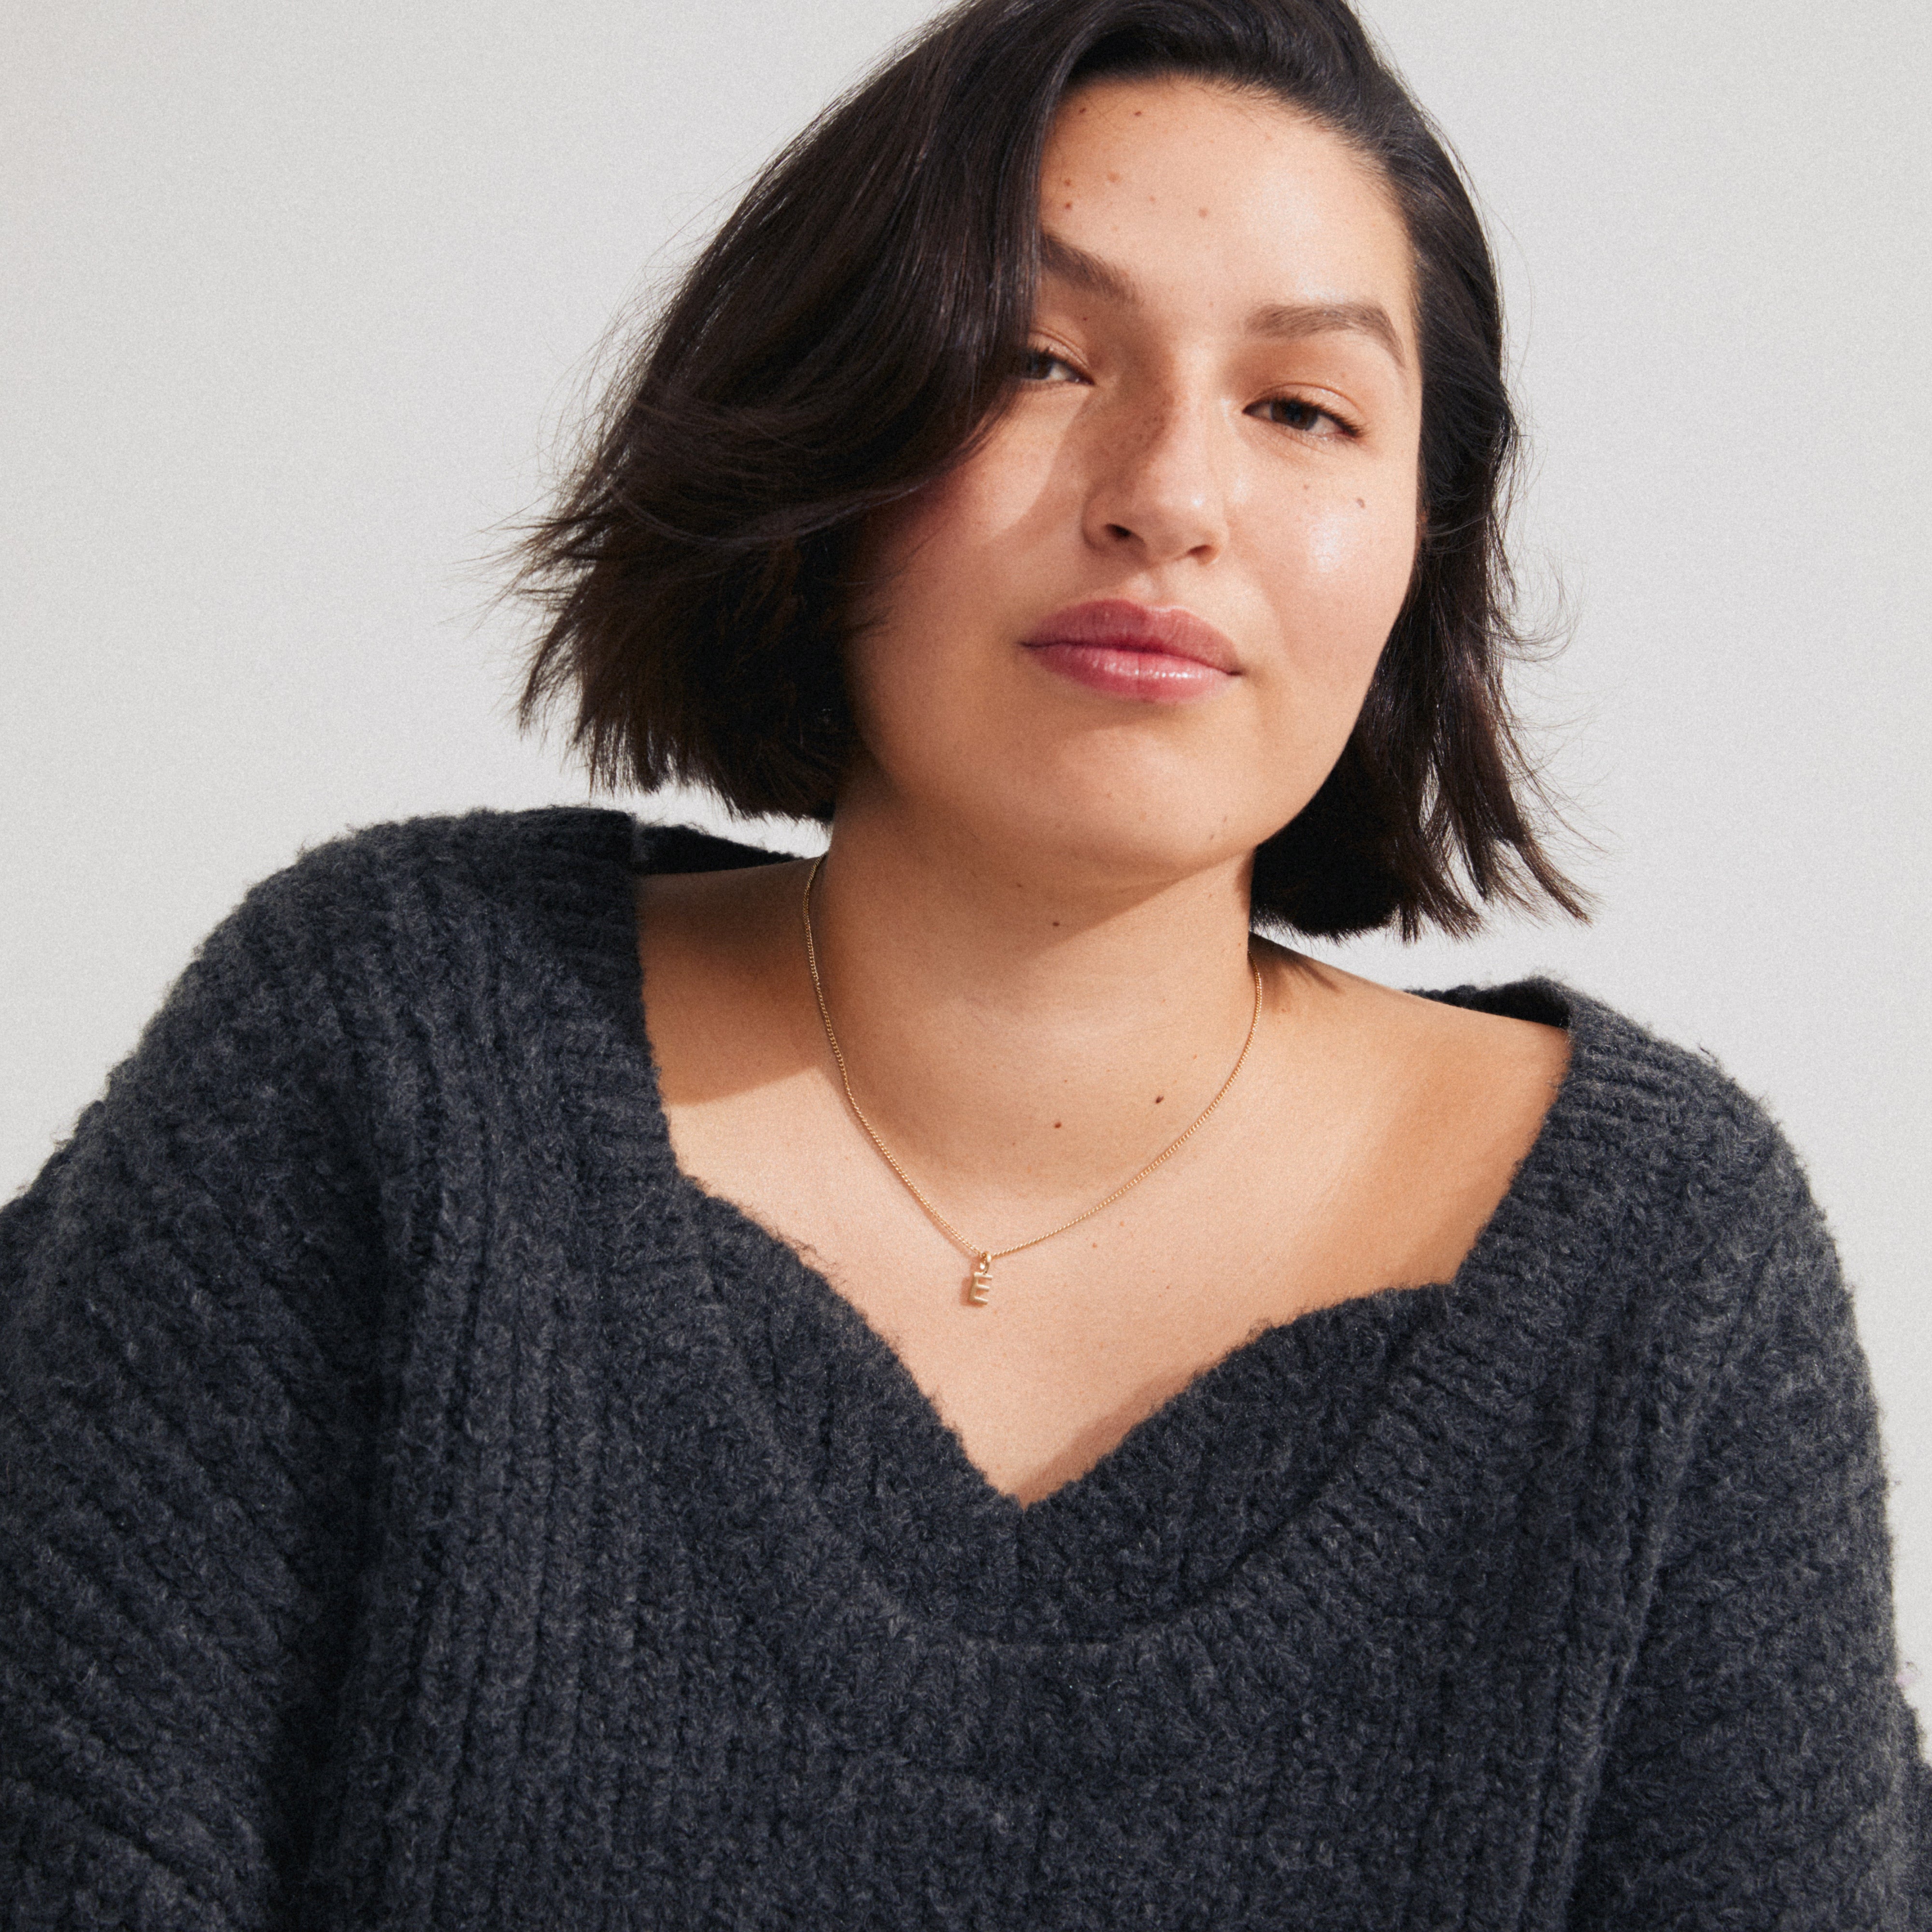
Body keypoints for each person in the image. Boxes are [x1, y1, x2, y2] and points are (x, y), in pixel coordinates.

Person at [1, 0, 1925, 1923]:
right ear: (833, 418)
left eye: (1300, 408)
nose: (1163, 493)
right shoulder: (385, 1054)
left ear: (1419, 544)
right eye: (1034, 356)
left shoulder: (1669, 1279)